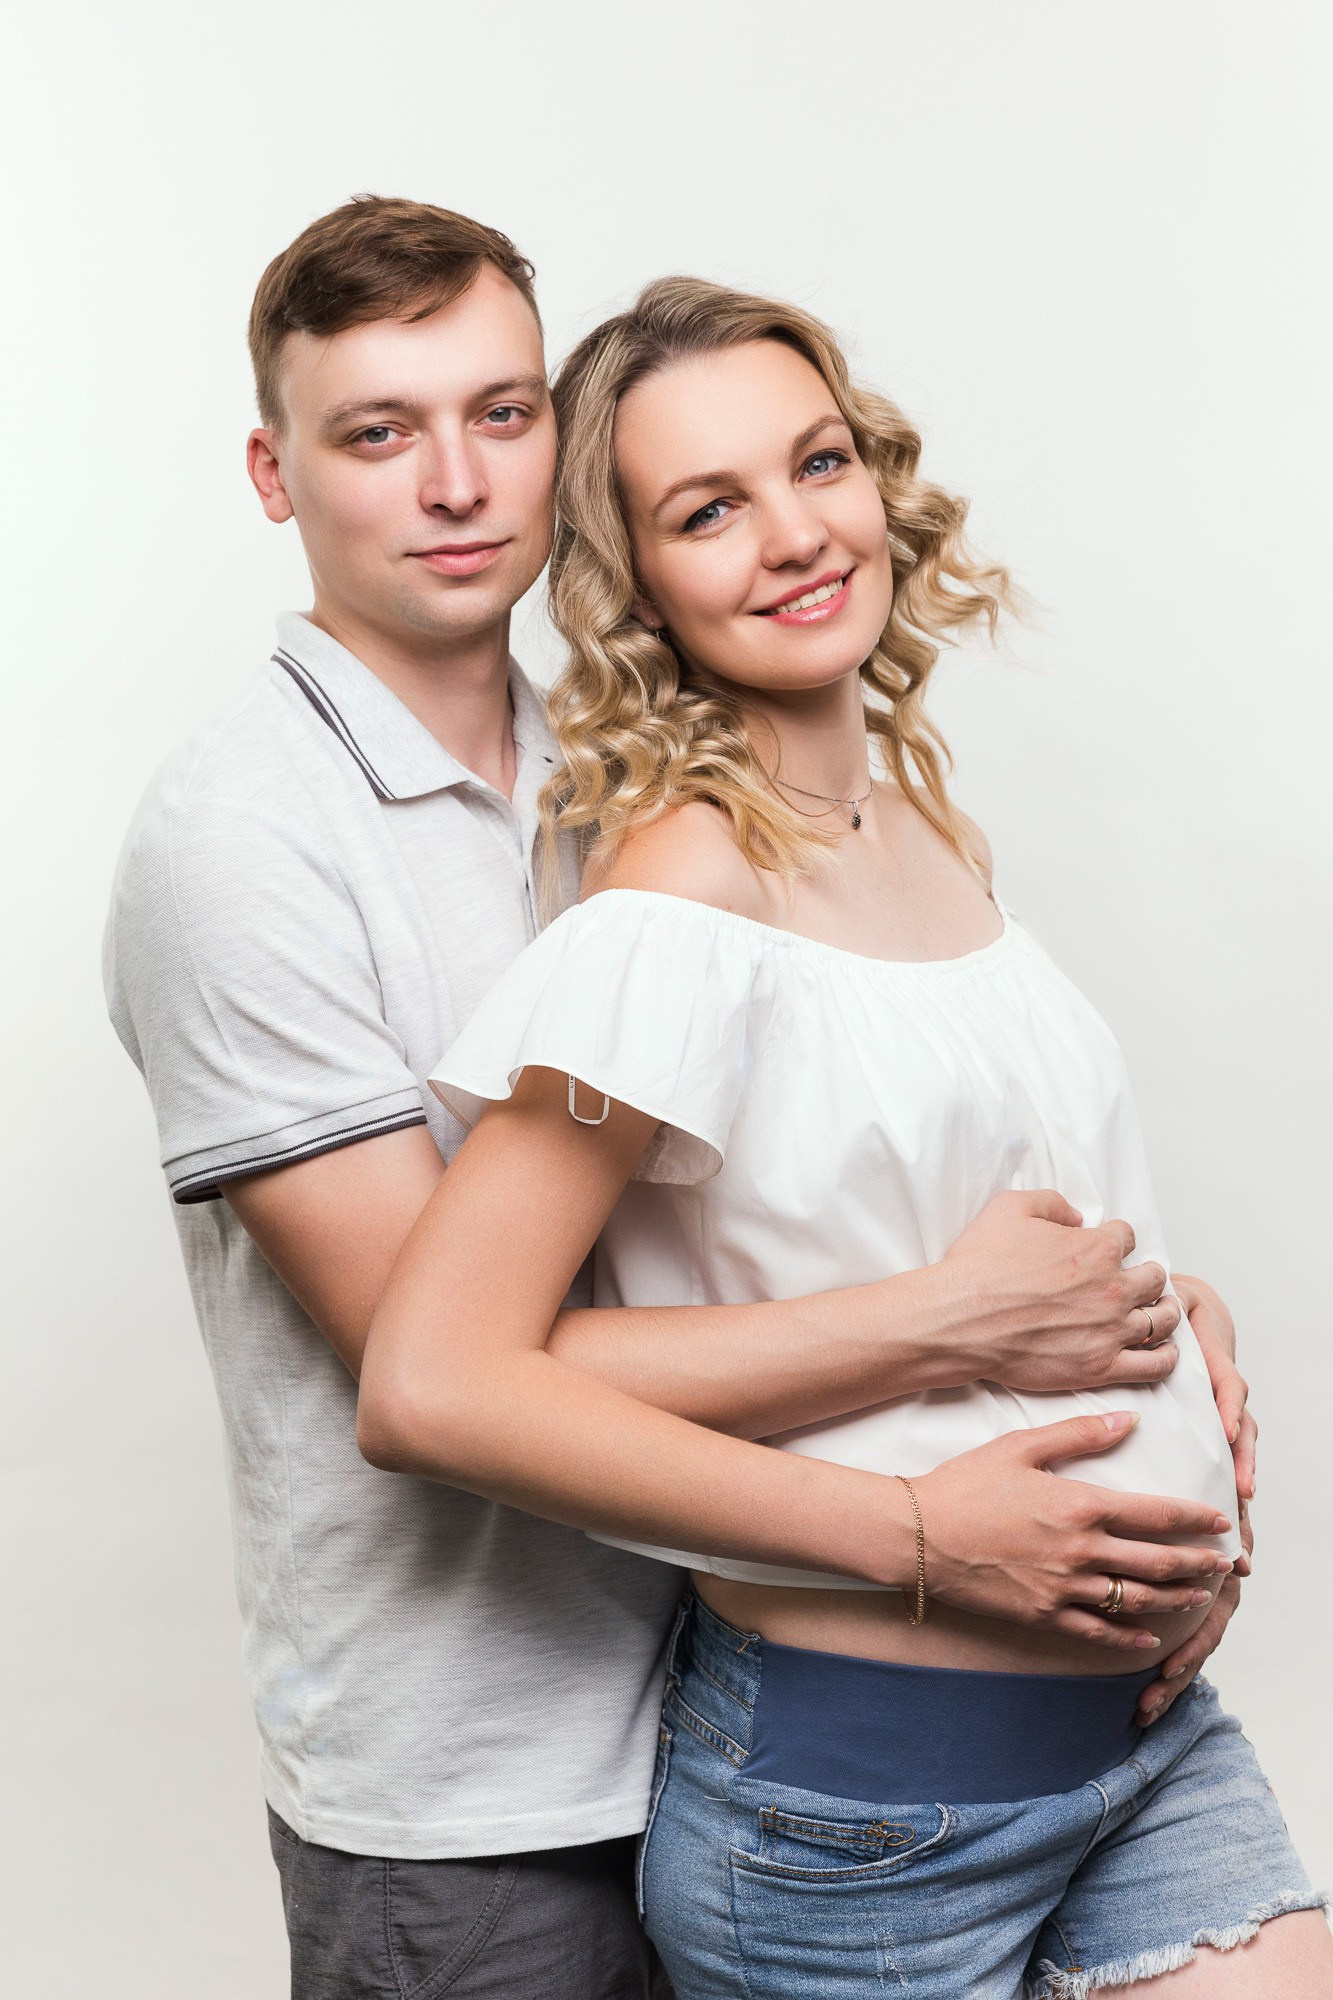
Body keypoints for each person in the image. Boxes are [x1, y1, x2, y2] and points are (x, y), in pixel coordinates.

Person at [104, 196, 1251, 1998]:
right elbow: (435, 1363)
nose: (457, 482)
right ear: (276, 471)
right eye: (379, 432)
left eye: (501, 414)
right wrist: (950, 1360)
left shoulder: (622, 774)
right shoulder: (243, 844)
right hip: (482, 1779)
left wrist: (1150, 1330)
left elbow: (809, 1199)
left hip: (738, 1679)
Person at [358, 276, 1327, 1996]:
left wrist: (1181, 1329)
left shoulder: (927, 828)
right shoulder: (678, 898)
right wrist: (920, 1529)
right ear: (635, 583)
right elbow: (436, 1382)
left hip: (1144, 1752)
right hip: (861, 1825)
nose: (796, 534)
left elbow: (971, 1227)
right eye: (706, 510)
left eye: (815, 463)